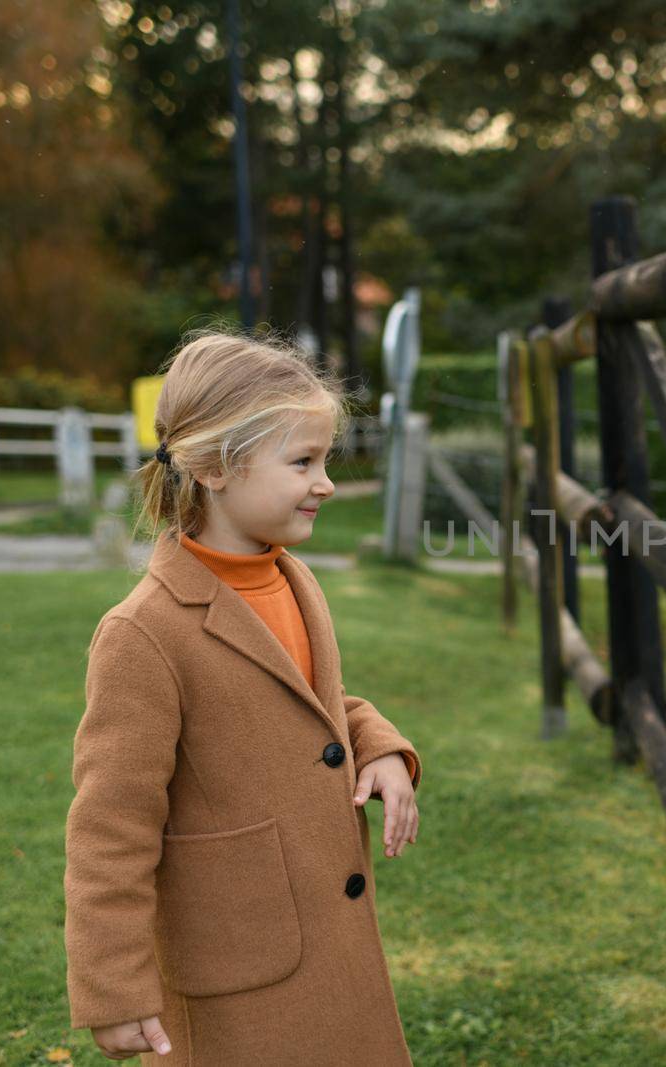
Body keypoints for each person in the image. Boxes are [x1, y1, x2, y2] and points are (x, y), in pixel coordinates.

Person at [64, 331, 422, 1065]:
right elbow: (111, 825)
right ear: (214, 467)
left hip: (329, 937)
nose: (325, 482)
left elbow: (316, 702)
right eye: (303, 462)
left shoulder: (292, 577)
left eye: (323, 459)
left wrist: (380, 745)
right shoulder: (144, 632)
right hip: (237, 971)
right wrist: (113, 986)